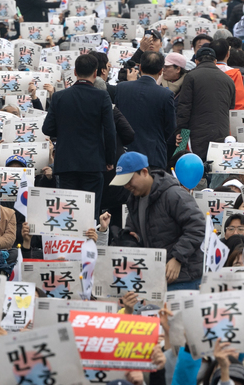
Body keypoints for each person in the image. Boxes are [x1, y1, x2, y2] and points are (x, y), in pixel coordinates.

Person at [108, 153, 206, 290]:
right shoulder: (134, 201)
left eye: (129, 180)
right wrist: (130, 238)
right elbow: (134, 230)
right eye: (123, 182)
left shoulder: (173, 194)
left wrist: (177, 258)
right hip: (156, 278)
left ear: (144, 172)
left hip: (183, 278)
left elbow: (198, 226)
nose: (126, 185)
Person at [42, 52, 118, 216]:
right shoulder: (102, 96)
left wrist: (64, 130)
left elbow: (47, 129)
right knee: (89, 213)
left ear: (75, 72)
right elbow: (110, 131)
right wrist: (110, 159)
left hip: (66, 163)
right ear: (95, 73)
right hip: (93, 162)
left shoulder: (59, 96)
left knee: (68, 213)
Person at [112, 51, 177, 171]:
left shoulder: (122, 88)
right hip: (153, 155)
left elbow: (117, 119)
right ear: (161, 71)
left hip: (125, 153)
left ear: (140, 67)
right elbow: (170, 128)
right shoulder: (165, 94)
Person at [175, 46, 237, 161]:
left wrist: (180, 132)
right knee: (217, 164)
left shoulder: (191, 77)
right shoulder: (228, 80)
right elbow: (231, 106)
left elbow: (184, 107)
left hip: (197, 133)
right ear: (215, 61)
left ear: (196, 61)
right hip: (221, 132)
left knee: (198, 164)